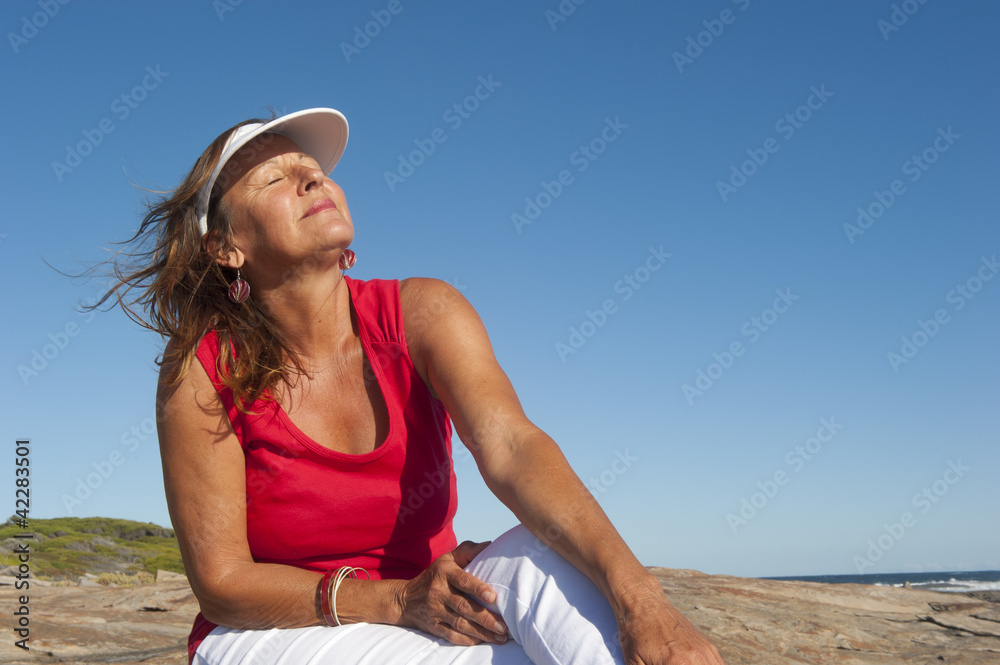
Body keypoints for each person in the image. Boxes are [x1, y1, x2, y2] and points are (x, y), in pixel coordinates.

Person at [106, 108, 724, 665]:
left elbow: (512, 448)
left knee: (546, 559)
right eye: (275, 179)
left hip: (428, 598)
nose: (314, 180)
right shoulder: (201, 368)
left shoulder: (423, 313)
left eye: (314, 171)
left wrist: (643, 601)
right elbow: (221, 583)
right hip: (276, 627)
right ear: (226, 246)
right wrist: (395, 600)